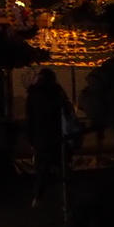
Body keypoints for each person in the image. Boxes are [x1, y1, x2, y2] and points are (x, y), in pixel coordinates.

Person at [26, 67, 69, 207]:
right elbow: (67, 112)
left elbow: (30, 118)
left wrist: (31, 139)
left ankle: (38, 197)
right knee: (60, 165)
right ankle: (63, 195)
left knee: (42, 168)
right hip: (57, 134)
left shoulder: (33, 94)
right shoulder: (57, 92)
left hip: (41, 136)